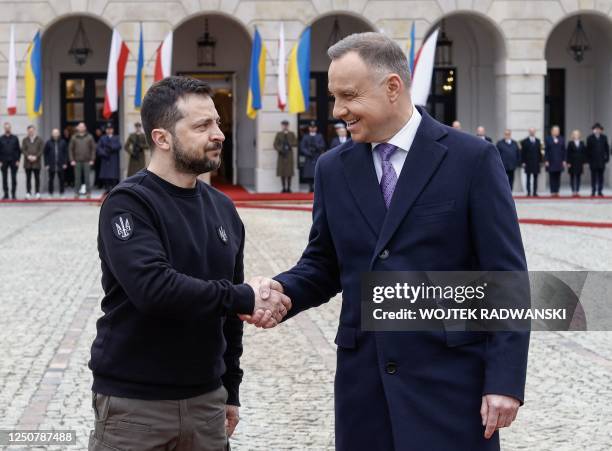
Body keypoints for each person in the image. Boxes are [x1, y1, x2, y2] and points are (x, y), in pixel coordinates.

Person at [245, 32, 529, 451]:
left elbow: (506, 276)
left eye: (349, 96)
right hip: (365, 388)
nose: (338, 110)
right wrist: (282, 291)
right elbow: (324, 264)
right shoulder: (332, 169)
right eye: (334, 97)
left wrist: (504, 381)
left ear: (392, 87)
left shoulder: (472, 159)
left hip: (451, 384)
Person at [87, 76, 290, 451]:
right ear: (162, 138)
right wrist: (246, 297)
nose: (219, 134)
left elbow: (230, 321)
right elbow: (154, 290)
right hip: (135, 408)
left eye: (216, 122)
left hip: (206, 405)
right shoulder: (129, 203)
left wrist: (231, 389)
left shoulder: (224, 209)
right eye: (202, 126)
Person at [69, 122, 96, 198]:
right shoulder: (74, 137)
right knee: (77, 178)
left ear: (85, 128)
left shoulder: (89, 137)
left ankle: (88, 193)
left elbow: (93, 149)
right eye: (80, 127)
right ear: (77, 128)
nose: (81, 128)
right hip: (77, 161)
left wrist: (92, 159)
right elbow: (70, 149)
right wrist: (72, 160)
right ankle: (76, 193)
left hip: (87, 161)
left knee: (87, 178)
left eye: (82, 127)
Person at [300, 120, 326, 192]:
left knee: (316, 173)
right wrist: (308, 153)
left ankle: (315, 187)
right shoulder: (305, 136)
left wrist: (317, 146)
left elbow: (323, 145)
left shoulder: (319, 136)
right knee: (309, 173)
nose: (312, 128)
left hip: (317, 156)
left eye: (314, 127)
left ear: (316, 128)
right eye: (311, 127)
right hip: (309, 157)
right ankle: (310, 187)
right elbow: (302, 147)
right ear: (309, 128)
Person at [97, 122, 122, 194]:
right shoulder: (102, 138)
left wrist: (111, 147)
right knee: (106, 175)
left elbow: (119, 146)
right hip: (105, 158)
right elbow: (98, 148)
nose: (109, 130)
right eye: (108, 129)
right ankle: (107, 188)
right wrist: (104, 153)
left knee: (113, 175)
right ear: (106, 130)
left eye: (110, 129)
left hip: (113, 158)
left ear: (113, 130)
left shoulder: (116, 137)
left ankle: (114, 188)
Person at [586, 122, 609, 196]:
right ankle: (593, 190)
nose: (597, 130)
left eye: (599, 129)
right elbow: (588, 150)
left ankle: (600, 191)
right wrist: (588, 160)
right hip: (593, 161)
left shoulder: (604, 137)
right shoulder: (590, 138)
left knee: (601, 177)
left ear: (601, 130)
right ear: (593, 130)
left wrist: (607, 158)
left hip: (601, 160)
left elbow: (607, 149)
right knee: (593, 177)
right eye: (596, 129)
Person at [273, 119, 297, 193]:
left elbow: (295, 143)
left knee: (289, 172)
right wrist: (280, 149)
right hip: (281, 155)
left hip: (289, 154)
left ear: (288, 126)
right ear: (282, 125)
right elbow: (275, 144)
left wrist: (290, 144)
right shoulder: (279, 134)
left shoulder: (291, 134)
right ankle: (283, 187)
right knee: (282, 171)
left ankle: (289, 187)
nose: (285, 126)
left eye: (286, 125)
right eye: (284, 125)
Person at [21, 125, 44, 200]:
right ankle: (28, 193)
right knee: (28, 178)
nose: (31, 132)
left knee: (37, 178)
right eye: (29, 131)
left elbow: (41, 150)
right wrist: (28, 156)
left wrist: (36, 157)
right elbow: (23, 149)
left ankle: (37, 193)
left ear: (34, 130)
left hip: (36, 162)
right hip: (27, 163)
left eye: (32, 130)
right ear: (27, 131)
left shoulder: (39, 139)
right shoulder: (25, 140)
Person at [44, 128, 68, 196]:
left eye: (56, 133)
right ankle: (50, 193)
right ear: (52, 134)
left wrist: (65, 163)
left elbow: (65, 153)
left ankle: (62, 192)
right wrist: (46, 164)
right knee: (51, 179)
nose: (55, 134)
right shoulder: (48, 142)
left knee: (62, 179)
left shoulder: (63, 142)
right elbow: (45, 154)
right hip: (51, 164)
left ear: (59, 134)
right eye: (54, 133)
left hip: (61, 163)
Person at [0, 122, 21, 200]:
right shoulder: (1, 138)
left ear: (10, 128)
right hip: (3, 161)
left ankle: (13, 194)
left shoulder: (15, 138)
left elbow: (18, 150)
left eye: (8, 127)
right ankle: (6, 194)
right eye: (6, 127)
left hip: (13, 161)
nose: (7, 129)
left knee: (14, 178)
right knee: (4, 178)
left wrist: (18, 160)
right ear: (4, 128)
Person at [520, 128, 543, 197]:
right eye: (531, 131)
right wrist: (523, 162)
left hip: (536, 162)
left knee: (535, 178)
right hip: (528, 162)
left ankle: (535, 192)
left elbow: (540, 152)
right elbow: (522, 153)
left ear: (535, 132)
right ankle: (528, 192)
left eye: (533, 131)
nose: (532, 132)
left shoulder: (538, 141)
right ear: (529, 132)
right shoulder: (524, 141)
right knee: (528, 178)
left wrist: (541, 161)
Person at [544, 125, 566, 197]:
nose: (557, 132)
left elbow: (564, 150)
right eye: (555, 130)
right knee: (552, 176)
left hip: (559, 161)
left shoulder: (561, 139)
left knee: (558, 176)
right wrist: (546, 160)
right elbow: (546, 150)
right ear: (552, 131)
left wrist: (564, 160)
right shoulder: (548, 139)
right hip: (551, 161)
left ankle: (557, 191)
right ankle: (552, 191)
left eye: (558, 130)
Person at [566, 129, 587, 196]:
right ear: (573, 135)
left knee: (578, 177)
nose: (576, 135)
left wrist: (584, 162)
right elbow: (568, 153)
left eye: (577, 134)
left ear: (579, 135)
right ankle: (573, 191)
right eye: (575, 134)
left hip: (579, 162)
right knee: (572, 177)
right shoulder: (570, 143)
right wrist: (568, 162)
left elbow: (584, 153)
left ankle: (577, 191)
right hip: (572, 162)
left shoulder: (582, 143)